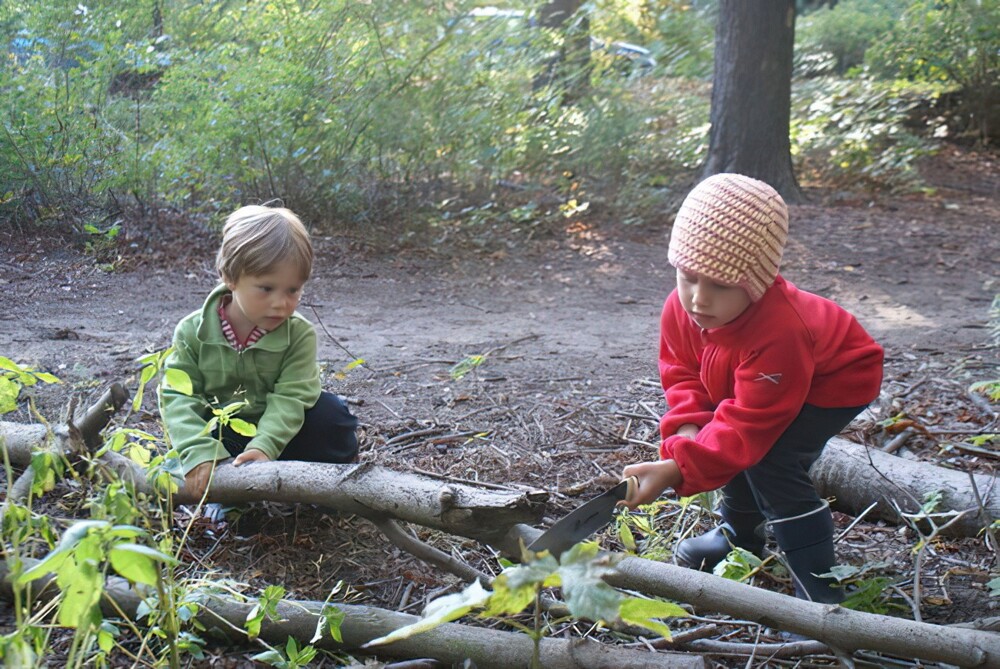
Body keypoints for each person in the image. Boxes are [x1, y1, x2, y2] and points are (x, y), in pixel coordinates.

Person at [622, 173, 883, 604]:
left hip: (834, 381)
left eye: (720, 286)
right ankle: (737, 537)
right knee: (740, 447)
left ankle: (820, 589)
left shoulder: (779, 331)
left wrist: (677, 470)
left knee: (772, 461)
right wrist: (686, 436)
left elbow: (749, 426)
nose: (698, 299)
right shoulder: (682, 308)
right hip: (755, 379)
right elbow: (682, 373)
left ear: (756, 283)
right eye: (688, 276)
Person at [159, 204, 359, 502]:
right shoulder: (192, 332)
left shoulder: (298, 334)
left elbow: (292, 397)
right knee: (188, 453)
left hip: (284, 434)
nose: (281, 303)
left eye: (293, 290)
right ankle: (229, 498)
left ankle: (329, 492)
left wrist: (265, 446)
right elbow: (178, 397)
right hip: (227, 435)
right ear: (230, 276)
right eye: (266, 288)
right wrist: (199, 452)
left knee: (331, 416)